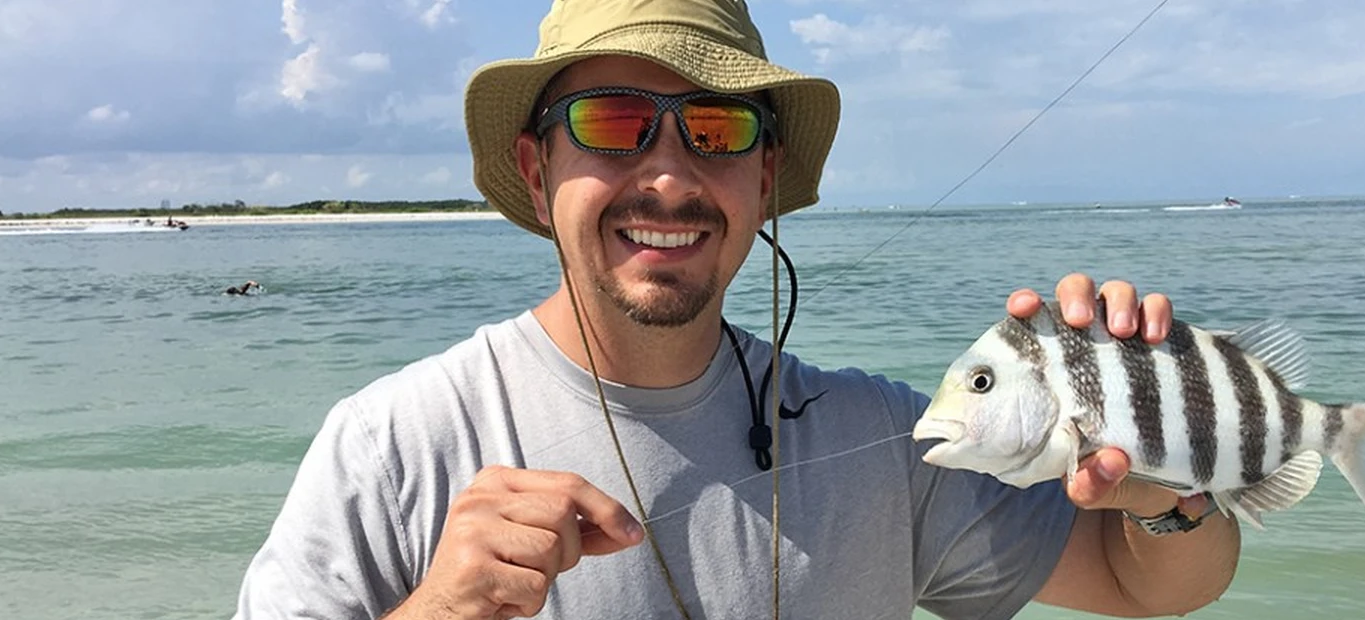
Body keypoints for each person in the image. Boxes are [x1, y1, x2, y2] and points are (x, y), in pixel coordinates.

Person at [230, 1, 1239, 618]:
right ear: (538, 170)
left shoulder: (887, 438)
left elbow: (1156, 584)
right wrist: (443, 609)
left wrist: (1160, 477)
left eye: (715, 128)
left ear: (764, 175)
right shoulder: (393, 439)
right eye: (613, 123)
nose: (668, 176)